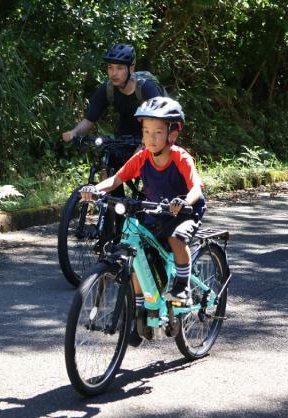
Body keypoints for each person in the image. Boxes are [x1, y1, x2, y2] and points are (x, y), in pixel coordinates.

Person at [80, 97, 206, 344]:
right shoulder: (143, 157)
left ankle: (182, 285)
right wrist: (95, 189)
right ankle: (140, 312)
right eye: (146, 131)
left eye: (158, 132)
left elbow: (196, 189)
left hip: (185, 213)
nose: (150, 138)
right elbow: (116, 179)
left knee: (177, 237)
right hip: (155, 212)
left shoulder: (180, 158)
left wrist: (184, 202)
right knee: (136, 255)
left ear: (172, 134)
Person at [62, 43, 161, 189]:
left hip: (152, 138)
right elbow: (89, 119)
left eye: (119, 68)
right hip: (125, 138)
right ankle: (111, 207)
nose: (113, 73)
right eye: (110, 67)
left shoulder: (146, 88)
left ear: (131, 69)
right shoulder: (107, 89)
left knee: (150, 172)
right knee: (107, 161)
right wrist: (74, 133)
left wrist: (145, 143)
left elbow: (161, 121)